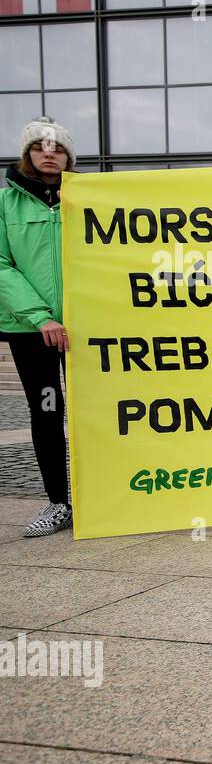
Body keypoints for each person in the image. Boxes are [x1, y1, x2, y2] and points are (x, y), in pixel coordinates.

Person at [0, 117, 76, 537]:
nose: (49, 152)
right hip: (32, 332)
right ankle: (58, 502)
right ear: (27, 154)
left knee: (93, 416)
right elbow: (1, 264)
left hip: (87, 331)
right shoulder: (5, 204)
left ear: (68, 157)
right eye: (41, 146)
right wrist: (40, 316)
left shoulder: (87, 200)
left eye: (58, 147)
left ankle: (99, 498)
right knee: (47, 412)